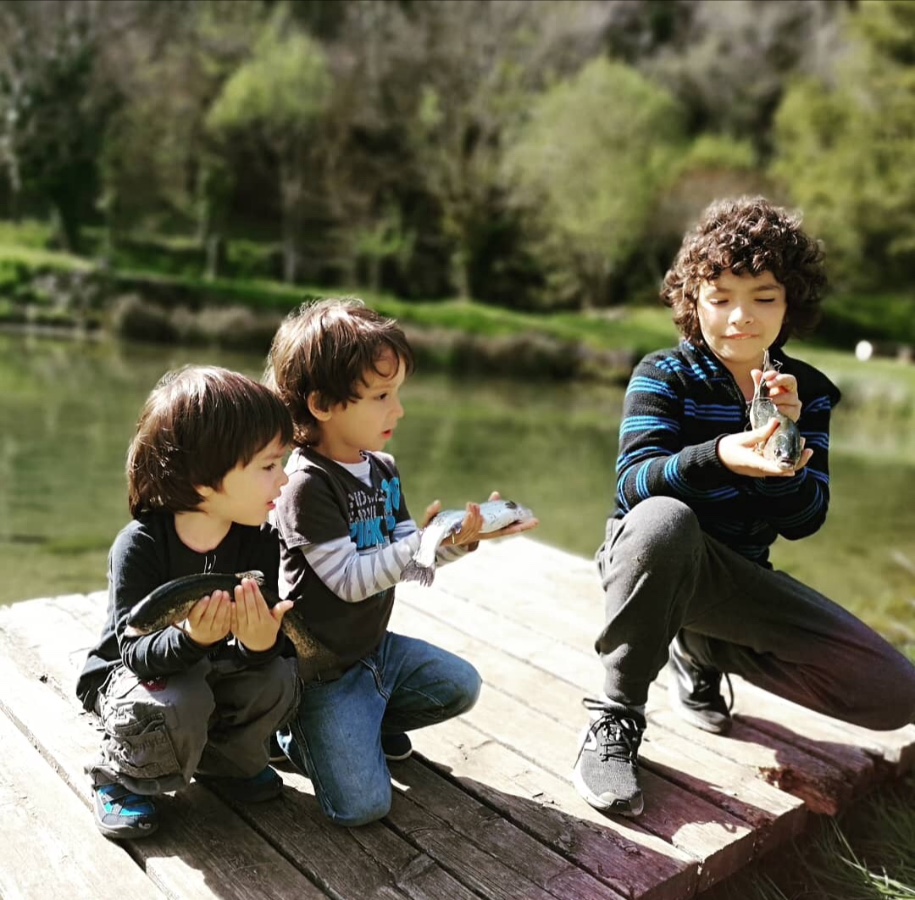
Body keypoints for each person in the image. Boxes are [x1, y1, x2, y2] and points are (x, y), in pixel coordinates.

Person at [573, 196, 915, 817]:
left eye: (763, 297)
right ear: (693, 301)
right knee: (663, 519)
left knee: (896, 692)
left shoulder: (804, 390)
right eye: (720, 296)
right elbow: (634, 486)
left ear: (790, 305)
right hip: (648, 564)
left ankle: (698, 649)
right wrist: (723, 455)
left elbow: (805, 519)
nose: (740, 317)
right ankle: (615, 718)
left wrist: (785, 446)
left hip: (741, 581)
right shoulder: (663, 374)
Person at [263, 297, 539, 827]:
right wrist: (419, 544)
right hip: (322, 670)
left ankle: (367, 718)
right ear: (322, 404)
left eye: (398, 393)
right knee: (360, 808)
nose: (399, 410)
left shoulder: (382, 468)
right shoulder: (305, 484)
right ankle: (293, 733)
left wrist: (462, 539)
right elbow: (348, 581)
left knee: (463, 685)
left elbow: (409, 559)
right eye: (382, 396)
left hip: (373, 650)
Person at [76, 365, 300, 839]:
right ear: (202, 480)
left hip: (209, 668)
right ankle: (122, 779)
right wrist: (193, 637)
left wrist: (260, 644)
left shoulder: (257, 540)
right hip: (136, 675)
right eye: (268, 465)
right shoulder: (140, 546)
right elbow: (133, 650)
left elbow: (256, 651)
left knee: (278, 676)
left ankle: (221, 762)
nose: (284, 478)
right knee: (183, 693)